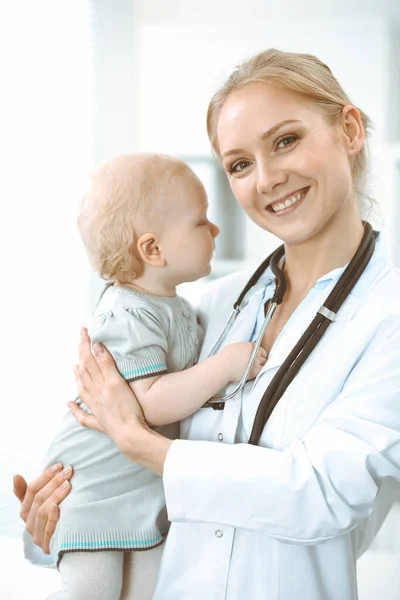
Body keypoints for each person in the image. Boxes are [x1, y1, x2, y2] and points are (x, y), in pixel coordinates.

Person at [14, 48, 400, 600]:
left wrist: (141, 443)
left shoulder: (389, 319)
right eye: (240, 164)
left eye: (286, 140)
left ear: (349, 129)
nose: (267, 179)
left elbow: (319, 496)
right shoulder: (207, 308)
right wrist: (66, 513)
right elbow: (134, 482)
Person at [22, 152, 267, 600]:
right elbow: (149, 403)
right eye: (201, 221)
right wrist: (226, 365)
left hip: (142, 496)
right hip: (91, 491)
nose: (214, 229)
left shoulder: (174, 307)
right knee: (92, 591)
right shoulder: (127, 313)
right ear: (152, 249)